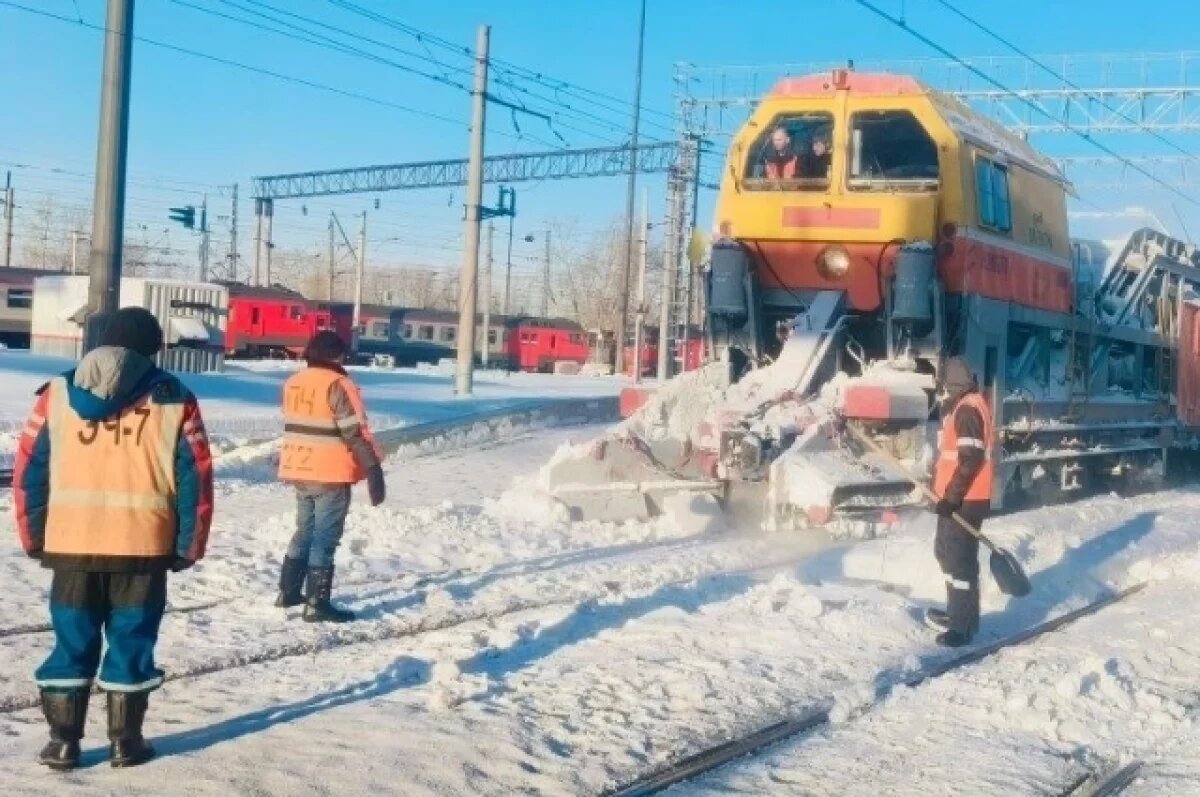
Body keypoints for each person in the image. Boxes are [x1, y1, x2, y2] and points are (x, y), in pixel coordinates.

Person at [13, 307, 214, 770]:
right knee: (132, 640)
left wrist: (35, 536)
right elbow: (195, 477)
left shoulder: (57, 394)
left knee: (72, 641)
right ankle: (127, 742)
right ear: (153, 350)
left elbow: (29, 471)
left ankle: (63, 742)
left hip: (71, 543)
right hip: (142, 547)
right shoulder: (174, 396)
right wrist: (189, 543)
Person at [276, 330, 385, 623]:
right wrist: (373, 468)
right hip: (330, 471)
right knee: (325, 537)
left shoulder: (294, 383)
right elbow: (355, 432)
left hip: (298, 466)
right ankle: (317, 604)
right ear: (335, 356)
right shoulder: (338, 384)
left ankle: (288, 591)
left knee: (305, 530)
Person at [926, 356, 992, 648]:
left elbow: (971, 459)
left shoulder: (967, 410)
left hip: (965, 499)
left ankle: (962, 629)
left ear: (952, 383)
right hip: (956, 498)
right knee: (946, 555)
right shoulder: (966, 405)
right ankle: (956, 612)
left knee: (960, 562)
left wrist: (952, 498)